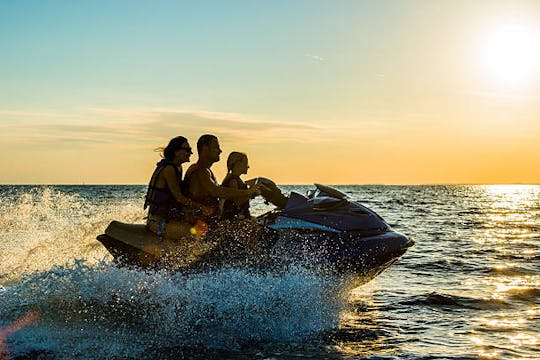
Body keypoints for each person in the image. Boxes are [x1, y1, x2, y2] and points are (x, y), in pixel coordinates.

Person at [184, 134, 260, 225]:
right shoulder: (199, 170)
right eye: (216, 147)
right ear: (205, 148)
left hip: (210, 223)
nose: (220, 151)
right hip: (200, 226)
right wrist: (248, 192)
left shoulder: (206, 171)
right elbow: (216, 191)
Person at [144, 136, 208, 240]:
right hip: (157, 222)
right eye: (187, 150)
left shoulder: (178, 167)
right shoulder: (169, 169)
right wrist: (201, 207)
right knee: (195, 232)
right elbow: (179, 197)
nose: (190, 153)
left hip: (167, 219)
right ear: (176, 152)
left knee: (202, 226)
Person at [221, 152, 253, 220]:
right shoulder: (233, 180)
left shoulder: (234, 178)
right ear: (238, 164)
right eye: (245, 163)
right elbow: (237, 202)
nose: (248, 166)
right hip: (233, 219)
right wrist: (252, 192)